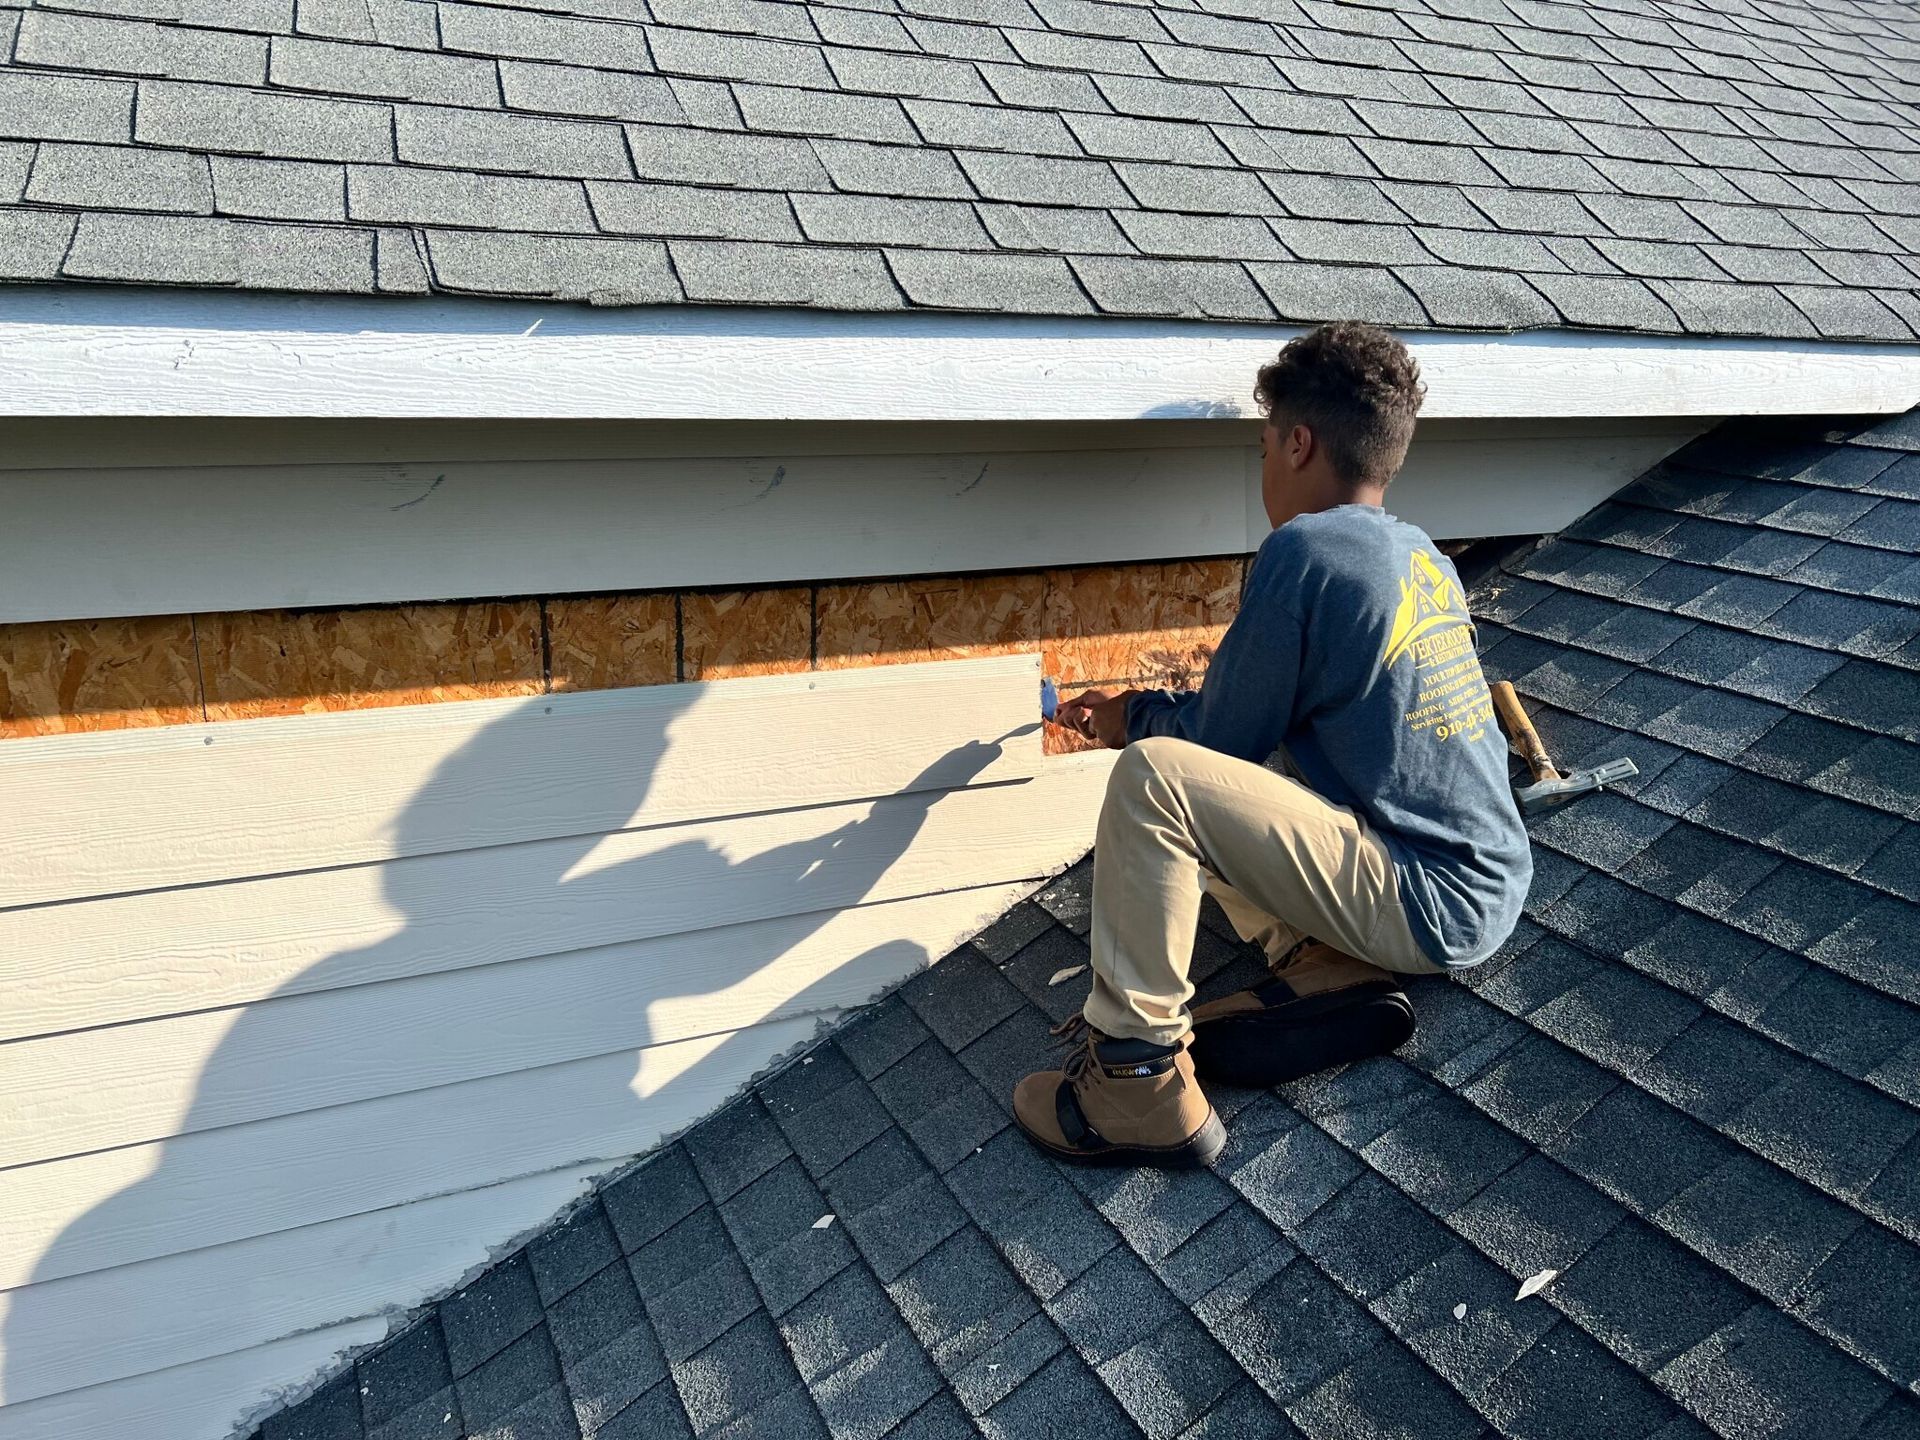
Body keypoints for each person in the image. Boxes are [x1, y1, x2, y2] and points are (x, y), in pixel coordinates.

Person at [1016, 321, 1533, 1169]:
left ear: (1298, 443)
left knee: (1157, 778)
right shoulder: (1421, 555)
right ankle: (1326, 963)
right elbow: (1256, 729)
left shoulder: (1304, 549)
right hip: (1486, 883)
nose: (1261, 470)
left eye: (1261, 449)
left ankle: (1134, 1077)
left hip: (1425, 899)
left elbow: (1216, 741)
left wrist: (1125, 719)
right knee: (1258, 753)